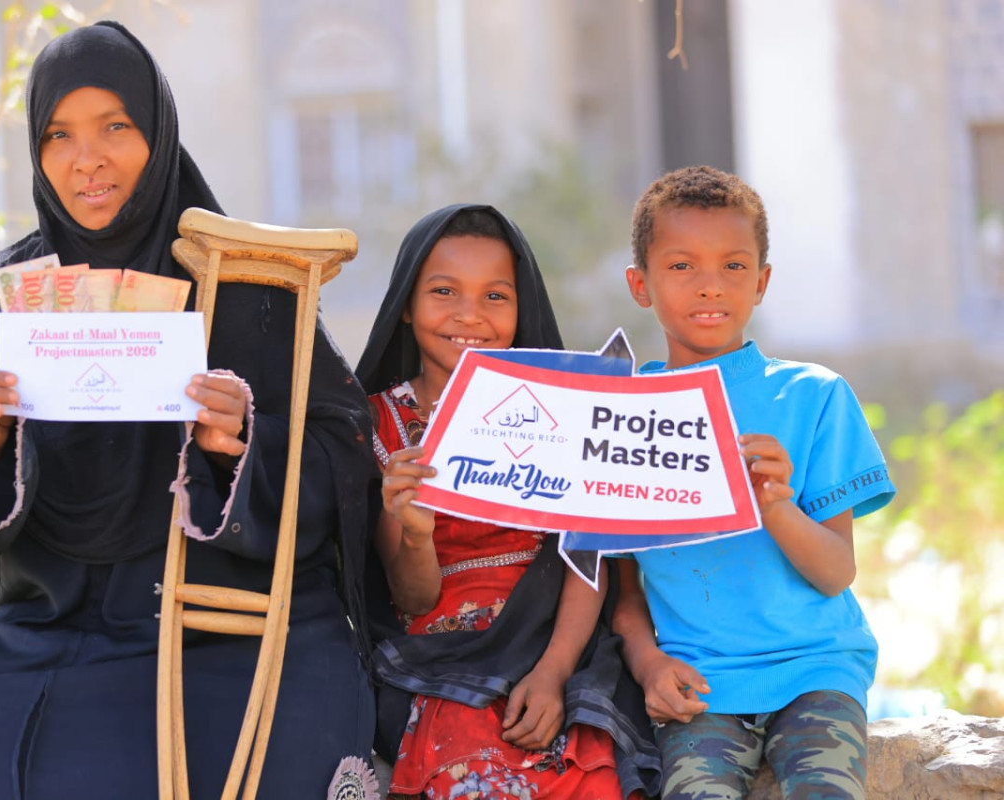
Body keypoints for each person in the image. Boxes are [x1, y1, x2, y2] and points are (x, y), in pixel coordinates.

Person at [0, 21, 378, 800]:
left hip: (226, 627)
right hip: (44, 627)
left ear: (158, 131)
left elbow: (346, 452)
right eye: (59, 134)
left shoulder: (250, 291)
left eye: (115, 127)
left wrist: (243, 446)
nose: (87, 159)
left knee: (209, 761)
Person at [356, 204, 662, 800]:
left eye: (495, 296)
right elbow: (411, 599)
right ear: (406, 305)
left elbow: (587, 558)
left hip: (560, 641)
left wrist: (553, 672)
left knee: (591, 773)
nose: (469, 314)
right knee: (474, 763)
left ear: (523, 308)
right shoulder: (380, 426)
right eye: (444, 291)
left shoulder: (566, 409)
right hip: (447, 657)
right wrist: (415, 532)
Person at [613, 165, 896, 800]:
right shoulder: (625, 414)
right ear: (640, 284)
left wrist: (775, 505)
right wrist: (648, 663)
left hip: (816, 670)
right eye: (681, 265)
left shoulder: (814, 396)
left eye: (734, 266)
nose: (710, 284)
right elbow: (622, 587)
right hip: (701, 684)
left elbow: (836, 572)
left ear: (762, 281)